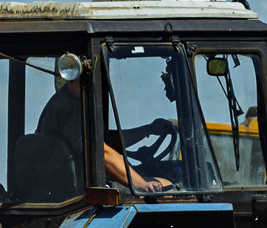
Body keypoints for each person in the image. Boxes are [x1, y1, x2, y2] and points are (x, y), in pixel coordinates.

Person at [34, 67, 173, 193]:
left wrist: (148, 130)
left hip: (74, 181)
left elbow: (107, 142)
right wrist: (141, 184)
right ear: (74, 79)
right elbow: (100, 152)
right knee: (170, 187)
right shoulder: (71, 110)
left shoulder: (63, 102)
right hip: (80, 187)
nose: (98, 85)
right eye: (95, 79)